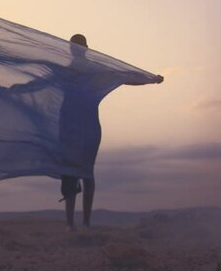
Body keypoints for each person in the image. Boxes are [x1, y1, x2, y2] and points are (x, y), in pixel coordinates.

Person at [59, 34, 163, 231]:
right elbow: (41, 81)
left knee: (87, 171)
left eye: (78, 46)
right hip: (68, 125)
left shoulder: (95, 70)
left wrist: (150, 79)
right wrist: (16, 89)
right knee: (69, 172)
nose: (75, 49)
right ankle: (70, 224)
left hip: (87, 125)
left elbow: (123, 77)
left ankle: (86, 223)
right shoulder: (64, 71)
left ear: (86, 48)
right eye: (72, 46)